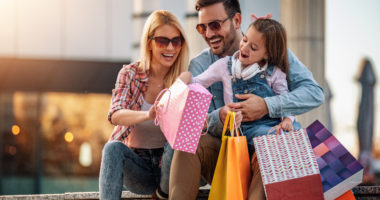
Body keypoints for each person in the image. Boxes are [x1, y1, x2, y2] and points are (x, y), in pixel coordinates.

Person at [169, 0, 325, 200]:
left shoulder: (275, 52)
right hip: (227, 152)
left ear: (236, 20)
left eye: (215, 25)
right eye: (202, 27)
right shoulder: (202, 64)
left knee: (273, 145)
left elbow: (314, 93)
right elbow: (191, 122)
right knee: (188, 142)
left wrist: (267, 106)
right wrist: (221, 116)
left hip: (269, 151)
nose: (208, 34)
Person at [99, 10, 189, 200]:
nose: (171, 47)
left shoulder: (185, 78)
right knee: (112, 149)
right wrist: (148, 115)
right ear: (149, 42)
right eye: (163, 41)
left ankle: (163, 194)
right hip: (139, 167)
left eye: (176, 40)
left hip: (170, 168)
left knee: (177, 142)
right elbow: (115, 114)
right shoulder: (130, 73)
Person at [179, 15, 297, 143]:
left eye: (253, 48)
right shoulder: (224, 66)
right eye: (245, 40)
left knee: (298, 133)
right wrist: (186, 78)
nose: (244, 48)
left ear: (267, 53)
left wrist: (288, 119)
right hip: (243, 129)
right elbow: (198, 83)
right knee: (275, 137)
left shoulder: (274, 73)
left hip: (273, 125)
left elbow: (285, 100)